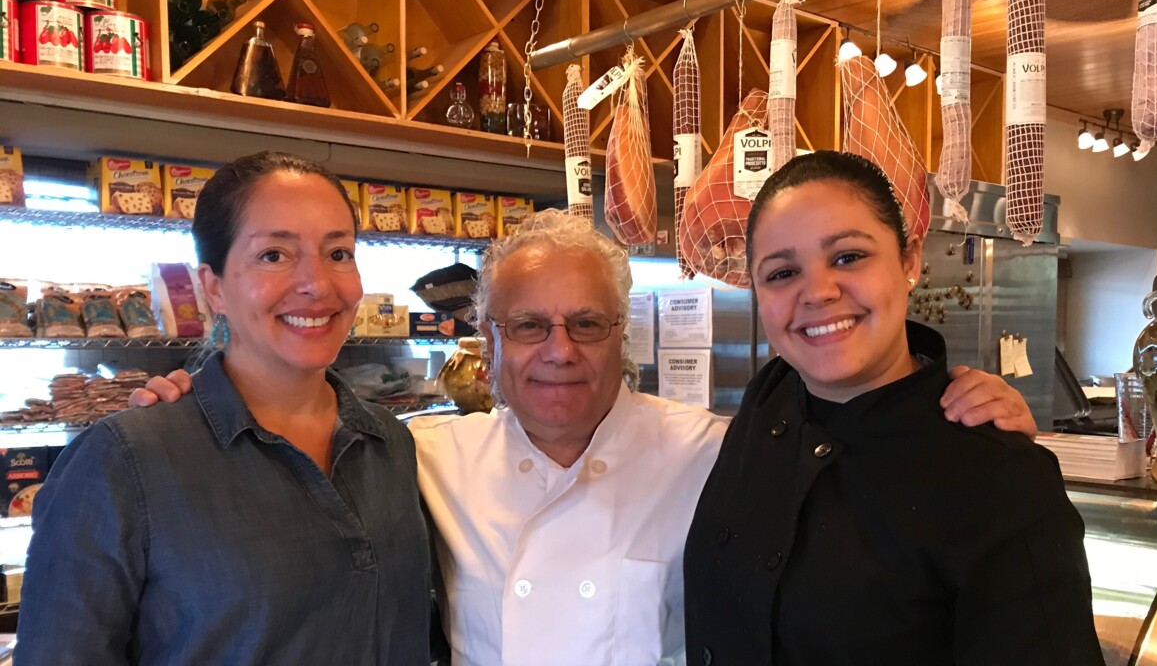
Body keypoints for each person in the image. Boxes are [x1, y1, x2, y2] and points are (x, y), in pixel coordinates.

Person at [132, 210, 1038, 663]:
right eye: (527, 328)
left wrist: (954, 407)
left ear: (623, 335)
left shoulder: (719, 451)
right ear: (487, 345)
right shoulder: (426, 456)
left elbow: (856, 451)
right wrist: (195, 405)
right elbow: (287, 448)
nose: (558, 354)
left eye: (587, 325)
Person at [683, 151, 1105, 665]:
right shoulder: (766, 399)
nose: (817, 292)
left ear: (909, 261)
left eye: (848, 257)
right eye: (782, 272)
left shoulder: (998, 475)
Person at [18, 152, 434, 665]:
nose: (318, 284)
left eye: (339, 253)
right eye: (274, 255)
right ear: (214, 287)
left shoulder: (391, 443)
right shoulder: (124, 462)